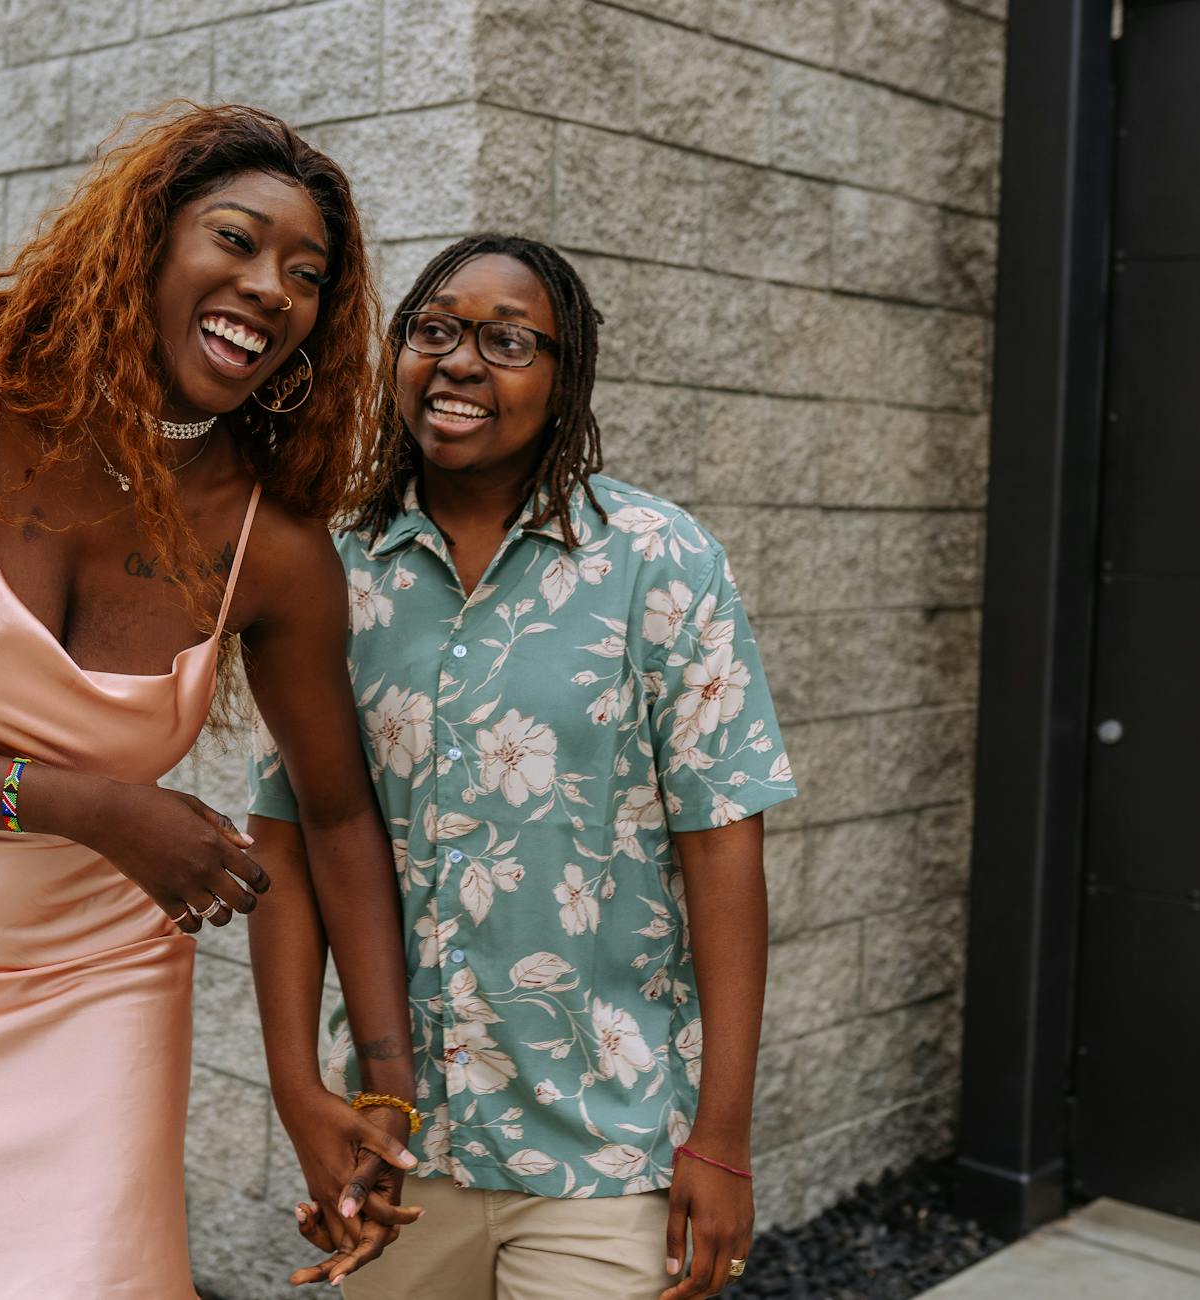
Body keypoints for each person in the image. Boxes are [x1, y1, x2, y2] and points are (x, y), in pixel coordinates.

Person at [0, 104, 418, 1299]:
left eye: (307, 275)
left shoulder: (271, 553)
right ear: (146, 246)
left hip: (94, 973)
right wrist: (99, 808)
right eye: (237, 239)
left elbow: (335, 816)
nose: (271, 286)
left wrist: (373, 1084)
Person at [246, 234, 797, 1299]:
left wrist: (722, 1137)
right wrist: (305, 1091)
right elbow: (290, 835)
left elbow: (725, 854)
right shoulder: (330, 571)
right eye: (435, 330)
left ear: (565, 376)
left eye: (506, 340)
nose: (459, 362)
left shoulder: (660, 560)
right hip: (401, 1144)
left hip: (609, 1146)